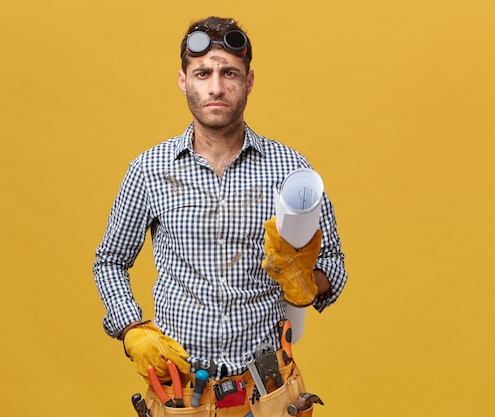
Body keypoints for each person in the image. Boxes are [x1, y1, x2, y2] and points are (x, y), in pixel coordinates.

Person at [93, 16, 347, 417]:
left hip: (267, 394)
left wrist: (305, 279)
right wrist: (131, 330)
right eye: (203, 73)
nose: (215, 87)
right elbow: (110, 261)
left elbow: (334, 262)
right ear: (183, 80)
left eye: (229, 73)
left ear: (248, 82)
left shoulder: (290, 170)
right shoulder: (149, 170)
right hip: (183, 396)